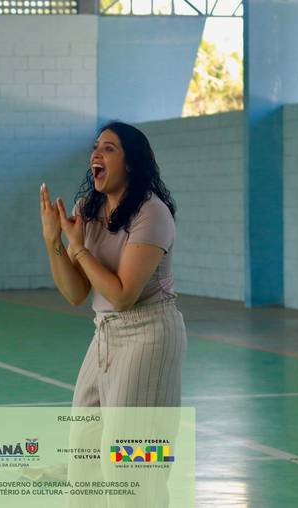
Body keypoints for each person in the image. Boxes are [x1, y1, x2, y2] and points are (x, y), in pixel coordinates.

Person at [40, 121, 186, 408]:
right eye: (95, 148)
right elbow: (75, 293)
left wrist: (79, 248)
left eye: (108, 149)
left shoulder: (152, 212)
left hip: (148, 333)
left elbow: (122, 296)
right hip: (105, 332)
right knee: (84, 433)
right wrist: (52, 239)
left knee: (131, 437)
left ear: (130, 163)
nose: (96, 154)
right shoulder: (87, 209)